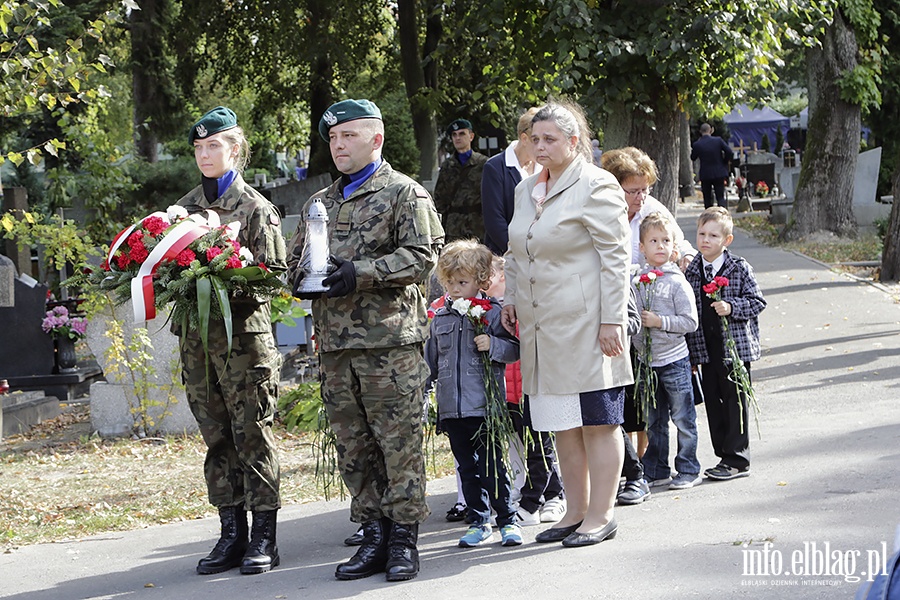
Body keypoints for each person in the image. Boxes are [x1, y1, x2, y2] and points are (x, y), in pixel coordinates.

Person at [287, 99, 444, 582]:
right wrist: (299, 278)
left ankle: (403, 540)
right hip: (336, 346)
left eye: (348, 136)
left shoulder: (404, 194)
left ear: (375, 139)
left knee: (398, 445)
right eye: (333, 139)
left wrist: (362, 273)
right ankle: (372, 534)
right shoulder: (321, 204)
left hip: (389, 344)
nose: (338, 145)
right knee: (352, 447)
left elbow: (422, 256)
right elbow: (299, 259)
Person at [501, 100, 632, 547]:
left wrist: (613, 320)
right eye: (534, 139)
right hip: (541, 327)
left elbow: (617, 259)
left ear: (574, 142)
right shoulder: (526, 189)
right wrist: (511, 297)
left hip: (589, 323)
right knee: (562, 422)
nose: (539, 147)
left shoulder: (597, 185)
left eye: (550, 139)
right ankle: (574, 511)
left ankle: (601, 514)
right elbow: (517, 250)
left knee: (598, 421)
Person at [177, 106, 286, 576]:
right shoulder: (181, 210)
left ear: (235, 149)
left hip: (243, 342)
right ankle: (231, 531)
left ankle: (264, 534)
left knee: (251, 434)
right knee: (216, 437)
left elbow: (275, 276)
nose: (205, 154)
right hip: (198, 344)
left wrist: (225, 281)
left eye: (214, 145)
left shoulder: (256, 209)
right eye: (199, 147)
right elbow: (166, 271)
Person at [600, 146, 696, 505]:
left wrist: (682, 255)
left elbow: (676, 238)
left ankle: (667, 466)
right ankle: (643, 466)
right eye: (633, 190)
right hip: (611, 306)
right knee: (640, 402)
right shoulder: (603, 209)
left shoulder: (652, 209)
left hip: (651, 320)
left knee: (673, 409)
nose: (641, 197)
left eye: (645, 189)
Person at [425, 239, 522, 548]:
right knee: (466, 467)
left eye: (462, 282)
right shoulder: (440, 317)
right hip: (452, 407)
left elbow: (514, 350)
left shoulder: (492, 314)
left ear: (481, 281)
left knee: (493, 466)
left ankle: (507, 519)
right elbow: (431, 360)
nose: (455, 288)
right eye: (449, 282)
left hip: (484, 406)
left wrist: (493, 345)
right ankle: (479, 521)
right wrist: (424, 391)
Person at [685, 207, 766, 481]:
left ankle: (737, 458)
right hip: (706, 349)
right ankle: (723, 455)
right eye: (702, 234)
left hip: (734, 349)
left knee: (735, 400)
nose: (706, 240)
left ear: (726, 240)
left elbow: (757, 302)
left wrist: (732, 306)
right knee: (714, 403)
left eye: (713, 235)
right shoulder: (693, 271)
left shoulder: (738, 268)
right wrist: (691, 353)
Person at [486, 254, 566, 526]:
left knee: (540, 447)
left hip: (533, 387)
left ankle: (533, 502)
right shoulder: (490, 310)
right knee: (531, 447)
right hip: (510, 392)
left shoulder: (530, 305)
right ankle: (553, 493)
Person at [631, 213, 701, 490]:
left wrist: (660, 322)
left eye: (665, 241)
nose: (660, 246)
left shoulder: (677, 282)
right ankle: (657, 468)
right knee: (653, 420)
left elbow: (690, 322)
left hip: (674, 361)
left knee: (683, 418)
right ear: (642, 247)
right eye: (653, 241)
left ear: (674, 248)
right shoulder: (636, 282)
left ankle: (688, 468)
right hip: (646, 363)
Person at [481, 107, 542, 256]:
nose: (542, 146)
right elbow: (494, 222)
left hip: (541, 255)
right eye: (537, 140)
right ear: (524, 138)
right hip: (505, 256)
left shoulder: (545, 166)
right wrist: (521, 252)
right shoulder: (495, 167)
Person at [433, 118, 489, 243]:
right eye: (454, 135)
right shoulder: (447, 166)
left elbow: (492, 197)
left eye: (462, 133)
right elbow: (439, 199)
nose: (457, 138)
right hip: (454, 228)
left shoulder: (484, 164)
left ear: (471, 136)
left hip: (478, 225)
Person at [691, 123, 733, 209]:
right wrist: (724, 162)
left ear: (700, 131)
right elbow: (729, 152)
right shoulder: (718, 140)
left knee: (707, 198)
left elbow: (693, 157)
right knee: (720, 197)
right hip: (719, 171)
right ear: (711, 130)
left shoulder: (697, 144)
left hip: (706, 174)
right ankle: (722, 214)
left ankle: (709, 216)